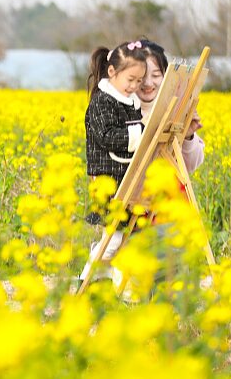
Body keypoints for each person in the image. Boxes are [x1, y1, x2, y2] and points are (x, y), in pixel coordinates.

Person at [79, 40, 149, 281]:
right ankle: (86, 281)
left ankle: (118, 287)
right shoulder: (102, 101)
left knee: (124, 239)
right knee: (114, 239)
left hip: (124, 178)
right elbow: (107, 137)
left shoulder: (129, 101)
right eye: (130, 79)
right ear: (112, 72)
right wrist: (140, 133)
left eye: (139, 81)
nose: (135, 86)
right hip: (108, 179)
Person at [138, 40, 205, 172]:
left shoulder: (173, 110)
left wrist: (188, 136)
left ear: (166, 76)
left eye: (155, 75)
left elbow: (191, 166)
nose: (148, 83)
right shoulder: (118, 109)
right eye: (142, 76)